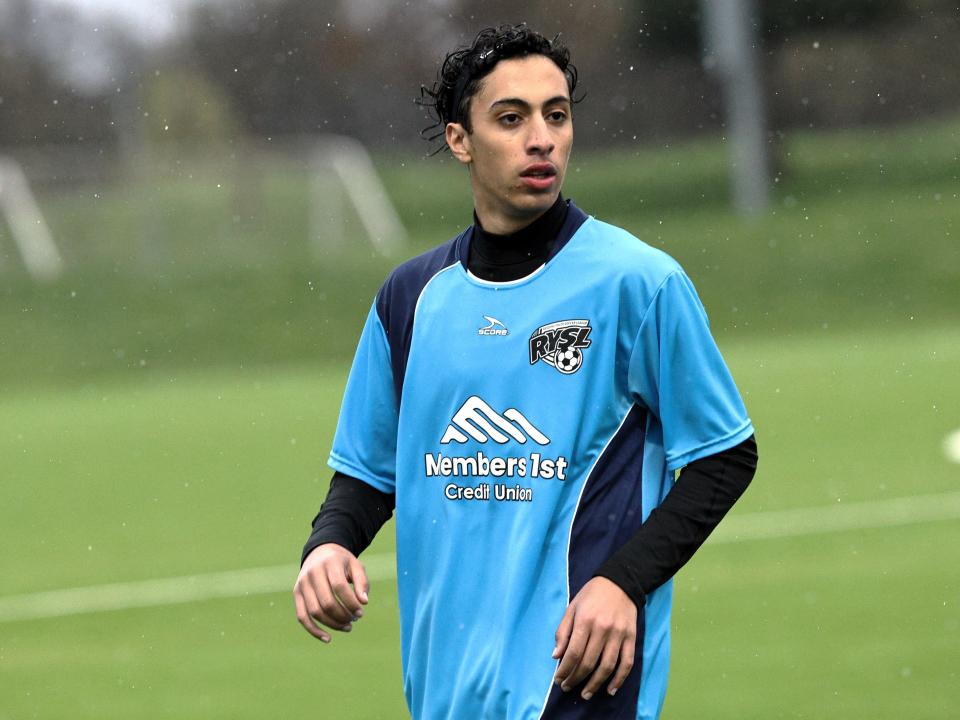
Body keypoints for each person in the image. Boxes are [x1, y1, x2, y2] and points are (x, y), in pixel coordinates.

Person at [293, 24, 758, 720]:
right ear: (460, 140)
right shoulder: (410, 299)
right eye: (511, 118)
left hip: (577, 681)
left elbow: (725, 456)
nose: (541, 137)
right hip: (444, 687)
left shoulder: (638, 284)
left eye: (557, 114)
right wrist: (328, 544)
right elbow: (368, 472)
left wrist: (622, 584)